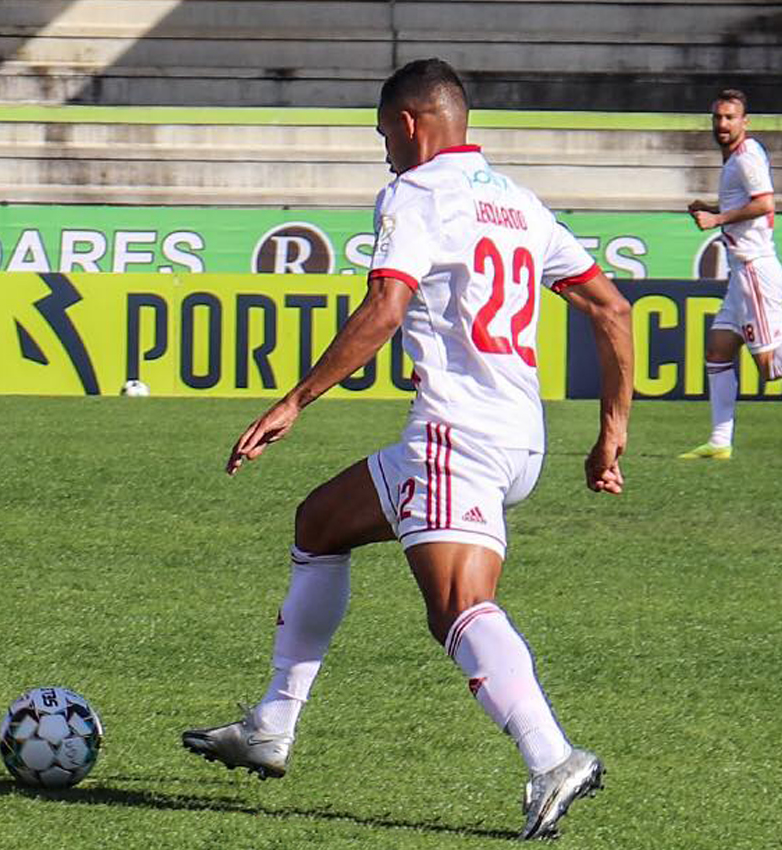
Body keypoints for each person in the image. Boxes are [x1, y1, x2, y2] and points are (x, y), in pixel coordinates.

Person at [179, 59, 633, 841]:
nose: (385, 150)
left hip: (456, 434)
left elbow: (386, 307)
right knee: (319, 522)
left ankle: (552, 757)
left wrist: (295, 399)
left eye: (385, 133)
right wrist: (611, 434)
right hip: (518, 435)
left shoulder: (416, 194)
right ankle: (271, 726)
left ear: (413, 125)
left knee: (456, 609)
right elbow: (612, 307)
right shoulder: (519, 205)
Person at [680, 88, 780, 460]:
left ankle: (721, 441)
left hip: (754, 269)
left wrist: (717, 218)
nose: (722, 124)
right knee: (718, 349)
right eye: (717, 117)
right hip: (742, 274)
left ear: (744, 121)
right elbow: (749, 202)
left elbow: (766, 203)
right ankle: (720, 443)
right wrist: (712, 207)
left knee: (770, 368)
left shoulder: (745, 159)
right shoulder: (735, 159)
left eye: (729, 117)